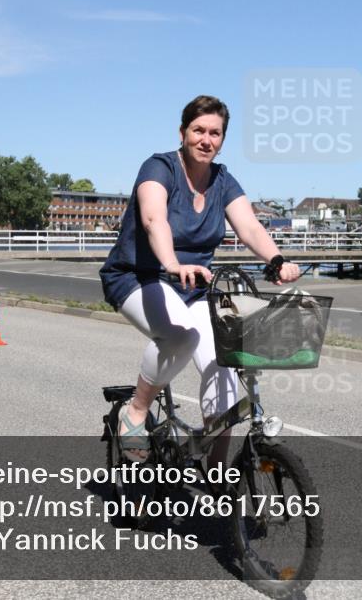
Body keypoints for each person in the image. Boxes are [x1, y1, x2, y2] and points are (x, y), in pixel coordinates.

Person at [100, 95, 300, 462]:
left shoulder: (223, 180)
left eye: (215, 133)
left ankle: (216, 468)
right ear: (183, 133)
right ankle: (137, 411)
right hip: (139, 276)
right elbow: (153, 219)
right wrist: (172, 263)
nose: (206, 139)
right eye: (199, 131)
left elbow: (250, 227)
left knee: (223, 360)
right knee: (180, 337)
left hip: (194, 286)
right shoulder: (159, 168)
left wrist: (276, 259)